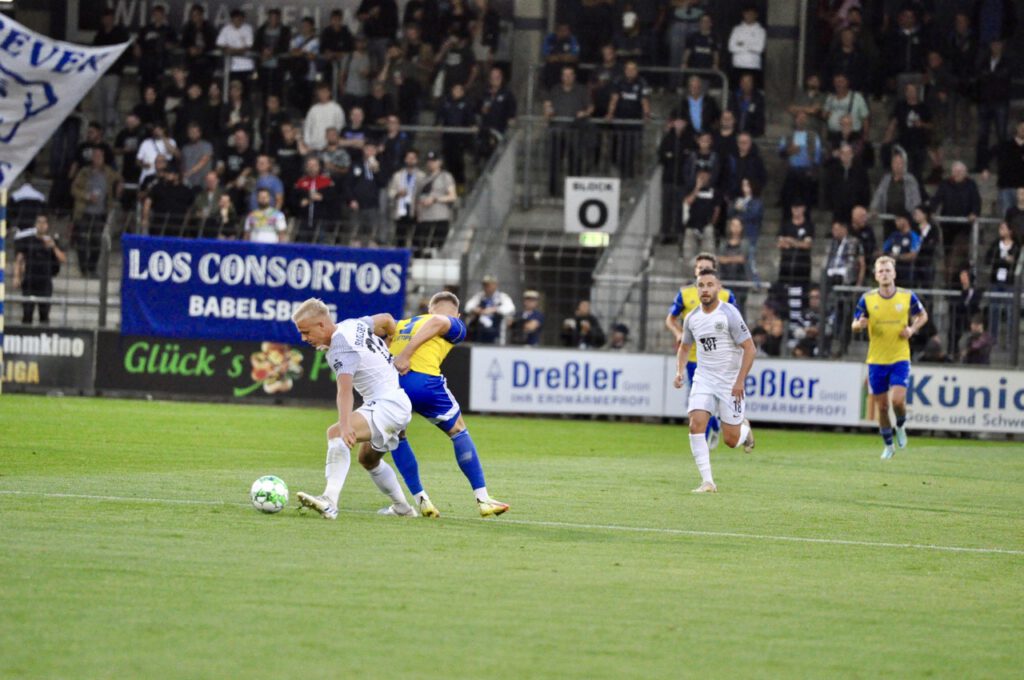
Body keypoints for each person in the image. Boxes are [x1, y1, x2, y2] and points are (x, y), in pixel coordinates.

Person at [368, 291, 510, 518]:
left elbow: (378, 329)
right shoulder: (454, 323)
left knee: (398, 436)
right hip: (422, 381)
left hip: (392, 384)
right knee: (458, 430)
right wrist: (406, 354)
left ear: (429, 307)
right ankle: (483, 499)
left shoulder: (403, 324)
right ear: (457, 313)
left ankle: (421, 499)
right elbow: (437, 321)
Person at [292, 299, 417, 519]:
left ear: (322, 325)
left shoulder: (341, 347)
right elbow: (388, 319)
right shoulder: (353, 324)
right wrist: (389, 346)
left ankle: (329, 501)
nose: (304, 338)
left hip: (387, 405)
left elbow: (345, 391)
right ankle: (403, 509)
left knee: (335, 433)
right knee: (368, 460)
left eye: (306, 332)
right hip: (395, 401)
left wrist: (345, 424)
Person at [673, 268, 756, 493]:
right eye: (701, 285)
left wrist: (740, 381)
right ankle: (708, 481)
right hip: (704, 377)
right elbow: (684, 347)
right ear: (697, 289)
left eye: (710, 285)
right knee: (696, 423)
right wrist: (679, 372)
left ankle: (745, 432)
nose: (705, 289)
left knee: (730, 440)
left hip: (730, 382)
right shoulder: (692, 318)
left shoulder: (729, 313)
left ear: (718, 287)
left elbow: (750, 349)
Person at [851, 256, 929, 460]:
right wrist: (859, 325)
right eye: (880, 271)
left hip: (899, 357)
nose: (884, 274)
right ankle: (888, 445)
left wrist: (912, 329)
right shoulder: (867, 299)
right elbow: (855, 323)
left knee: (897, 400)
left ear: (894, 273)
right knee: (882, 407)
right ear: (876, 276)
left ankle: (901, 425)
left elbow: (923, 315)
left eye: (888, 270)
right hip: (876, 360)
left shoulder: (906, 296)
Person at [666, 252, 737, 449]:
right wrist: (679, 333)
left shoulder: (726, 296)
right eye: (699, 268)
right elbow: (670, 319)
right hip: (693, 356)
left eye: (707, 267)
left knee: (711, 401)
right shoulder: (686, 294)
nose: (702, 270)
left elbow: (736, 324)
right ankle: (708, 435)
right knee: (695, 402)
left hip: (719, 359)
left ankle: (715, 429)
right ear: (695, 271)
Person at [12, 215, 67, 325]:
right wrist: (16, 276)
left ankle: (44, 337)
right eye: (39, 222)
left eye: (44, 223)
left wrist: (53, 247)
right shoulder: (28, 240)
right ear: (35, 224)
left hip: (45, 282)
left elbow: (63, 259)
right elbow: (19, 259)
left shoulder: (53, 241)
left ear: (47, 225)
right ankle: (26, 337)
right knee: (27, 313)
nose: (41, 225)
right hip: (29, 280)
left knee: (44, 314)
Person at [464, 275, 515, 344]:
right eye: (485, 285)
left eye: (489, 285)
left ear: (495, 285)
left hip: (496, 330)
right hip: (479, 331)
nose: (486, 287)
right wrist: (477, 310)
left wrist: (494, 310)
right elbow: (468, 307)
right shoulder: (479, 296)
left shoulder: (502, 297)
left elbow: (510, 308)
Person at [727, 5, 766, 88]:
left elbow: (759, 49)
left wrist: (741, 44)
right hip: (737, 66)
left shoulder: (761, 31)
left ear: (756, 15)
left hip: (754, 66)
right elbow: (731, 47)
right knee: (736, 91)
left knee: (753, 91)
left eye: (751, 14)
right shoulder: (736, 29)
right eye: (747, 13)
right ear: (743, 14)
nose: (749, 16)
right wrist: (751, 45)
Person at [304, 83, 346, 152]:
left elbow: (340, 127)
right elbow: (307, 127)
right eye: (320, 92)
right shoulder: (313, 109)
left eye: (324, 92)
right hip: (314, 146)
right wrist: (308, 142)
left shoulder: (336, 108)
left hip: (330, 147)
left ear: (329, 93)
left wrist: (334, 142)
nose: (322, 94)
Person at [882, 213, 921, 284]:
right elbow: (884, 250)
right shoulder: (894, 235)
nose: (896, 222)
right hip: (891, 273)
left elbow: (913, 255)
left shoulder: (913, 236)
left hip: (906, 273)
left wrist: (898, 257)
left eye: (898, 219)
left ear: (905, 220)